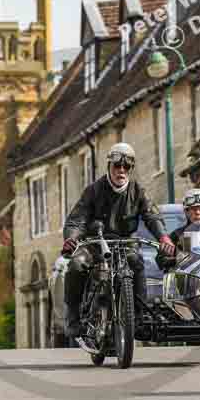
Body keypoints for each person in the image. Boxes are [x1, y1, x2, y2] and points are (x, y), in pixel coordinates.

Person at [61, 142, 175, 339]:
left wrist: (164, 237)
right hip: (95, 243)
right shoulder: (94, 190)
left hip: (125, 242)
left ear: (130, 169)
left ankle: (137, 319)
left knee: (137, 263)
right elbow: (77, 220)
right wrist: (71, 239)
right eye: (117, 166)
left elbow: (152, 216)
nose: (121, 171)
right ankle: (73, 316)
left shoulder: (138, 191)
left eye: (126, 167)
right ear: (109, 167)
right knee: (76, 265)